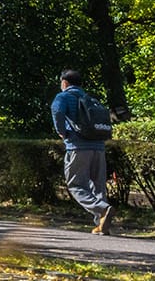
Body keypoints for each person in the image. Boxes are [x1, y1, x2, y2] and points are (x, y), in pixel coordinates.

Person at [52, 68, 117, 234]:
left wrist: (62, 132)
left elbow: (57, 110)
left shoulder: (64, 96)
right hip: (99, 147)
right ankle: (102, 224)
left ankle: (102, 209)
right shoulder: (90, 98)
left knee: (76, 185)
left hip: (78, 147)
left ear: (64, 82)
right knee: (98, 186)